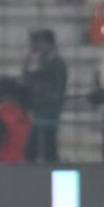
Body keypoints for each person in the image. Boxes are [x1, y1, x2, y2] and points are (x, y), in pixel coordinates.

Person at [22, 29, 67, 162]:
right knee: (38, 148)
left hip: (48, 112)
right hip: (41, 112)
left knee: (46, 147)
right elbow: (27, 78)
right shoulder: (45, 63)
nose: (37, 47)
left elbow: (57, 90)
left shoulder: (57, 63)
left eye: (40, 43)